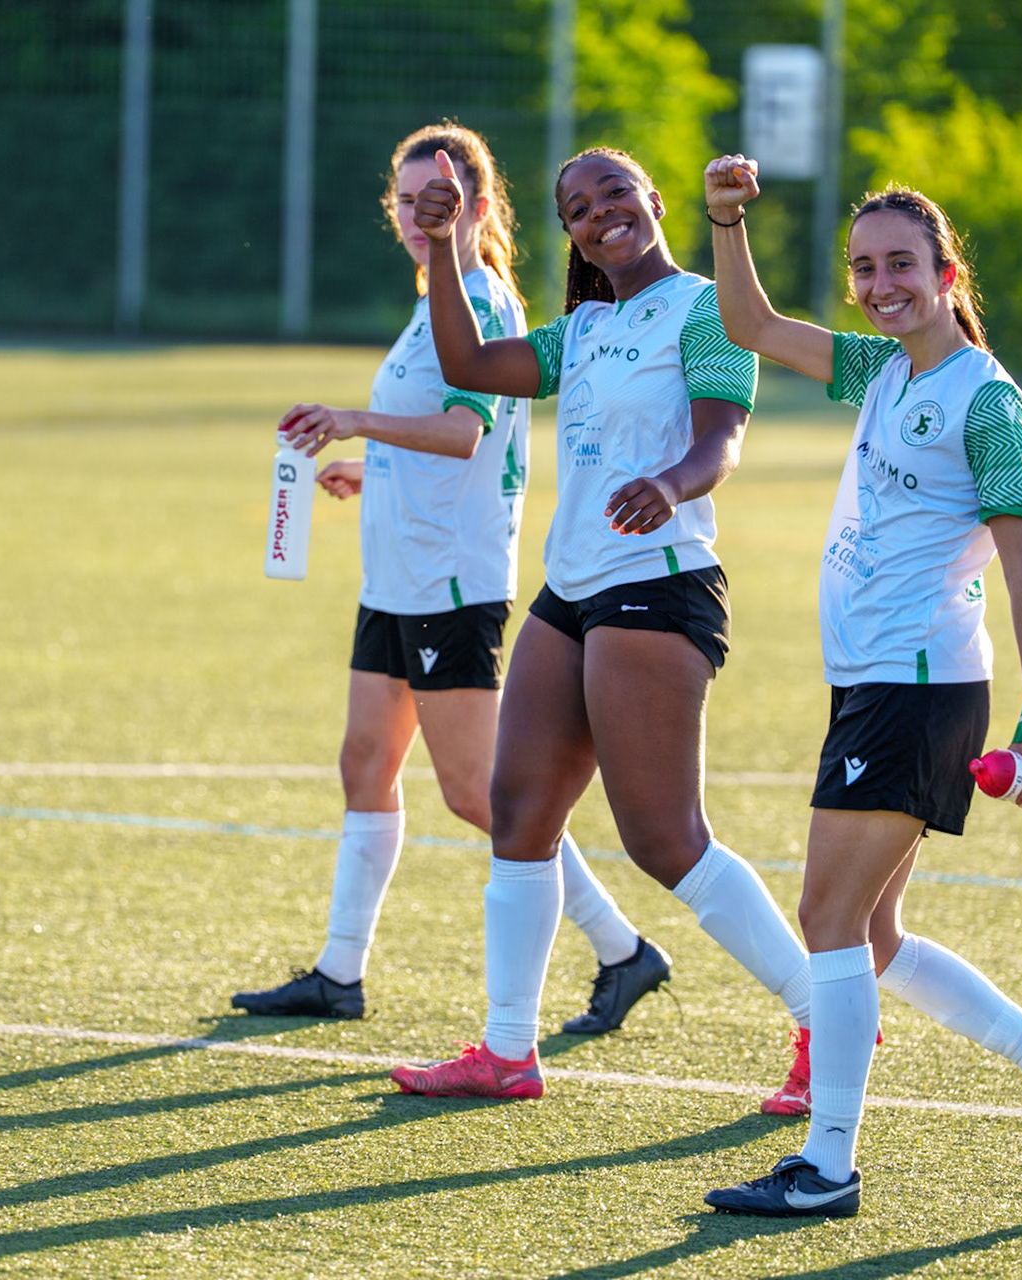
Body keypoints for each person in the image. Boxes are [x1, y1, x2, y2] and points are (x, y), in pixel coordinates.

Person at [698, 157, 1022, 1218]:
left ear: (946, 269)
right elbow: (750, 326)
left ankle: (829, 1163)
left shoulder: (984, 399)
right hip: (874, 686)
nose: (882, 282)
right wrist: (726, 218)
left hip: (922, 688)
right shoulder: (879, 369)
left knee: (826, 915)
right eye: (864, 268)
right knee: (872, 936)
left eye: (902, 264)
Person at [385, 145, 815, 1101]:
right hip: (570, 590)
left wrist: (670, 483)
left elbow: (723, 437)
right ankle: (507, 1053)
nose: (599, 213)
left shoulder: (706, 305)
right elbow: (465, 361)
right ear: (571, 232)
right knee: (519, 814)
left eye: (614, 191)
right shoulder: (580, 329)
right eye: (577, 207)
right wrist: (450, 239)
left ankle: (827, 1023)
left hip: (659, 586)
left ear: (653, 200)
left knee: (664, 841)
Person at [231, 123, 672, 1036]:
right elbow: (435, 437)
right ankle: (338, 974)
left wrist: (352, 422)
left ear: (476, 205)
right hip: (397, 573)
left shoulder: (483, 302)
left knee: (481, 794)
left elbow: (466, 433)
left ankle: (624, 949)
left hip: (452, 580)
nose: (415, 212)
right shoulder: (433, 297)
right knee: (364, 765)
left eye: (435, 196)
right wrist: (370, 468)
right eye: (402, 197)